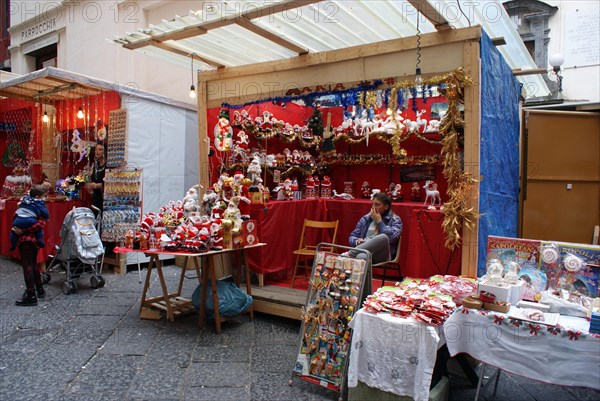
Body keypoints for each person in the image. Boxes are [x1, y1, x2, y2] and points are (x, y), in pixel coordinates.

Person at [347, 192, 403, 265]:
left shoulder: (395, 219)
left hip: (382, 254)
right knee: (361, 256)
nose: (373, 207)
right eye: (372, 204)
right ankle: (366, 276)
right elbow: (352, 236)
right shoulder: (366, 219)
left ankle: (350, 253)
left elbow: (392, 238)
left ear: (386, 207)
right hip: (366, 251)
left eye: (377, 204)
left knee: (383, 237)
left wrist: (379, 222)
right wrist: (357, 241)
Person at [12, 219, 47, 306]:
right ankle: (39, 290)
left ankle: (31, 295)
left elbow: (40, 224)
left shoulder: (31, 207)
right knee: (33, 264)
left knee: (28, 266)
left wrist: (23, 231)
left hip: (26, 240)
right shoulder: (38, 207)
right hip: (33, 239)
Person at [10, 185, 50, 252]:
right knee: (39, 230)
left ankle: (13, 244)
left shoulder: (24, 200)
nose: (46, 198)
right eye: (45, 196)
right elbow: (40, 224)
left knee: (13, 232)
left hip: (18, 221)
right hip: (31, 237)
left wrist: (15, 224)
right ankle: (39, 239)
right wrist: (47, 217)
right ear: (37, 197)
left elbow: (15, 215)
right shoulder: (39, 203)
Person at [87, 143, 106, 214]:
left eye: (100, 150)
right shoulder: (96, 165)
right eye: (96, 149)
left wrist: (96, 185)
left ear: (105, 152)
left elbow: (109, 182)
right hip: (96, 197)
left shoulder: (107, 165)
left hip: (104, 198)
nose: (97, 151)